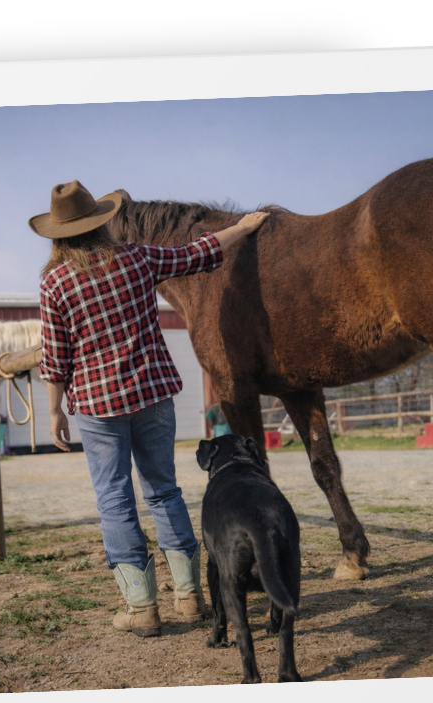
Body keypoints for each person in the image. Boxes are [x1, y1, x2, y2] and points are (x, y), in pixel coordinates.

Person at [32, 180, 269, 637]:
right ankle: (190, 596)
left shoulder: (55, 281)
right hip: (152, 394)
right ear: (100, 224)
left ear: (58, 234)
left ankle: (141, 608)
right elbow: (199, 252)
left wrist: (55, 411)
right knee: (164, 490)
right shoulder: (137, 258)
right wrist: (242, 226)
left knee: (114, 498)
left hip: (98, 406)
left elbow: (55, 355)